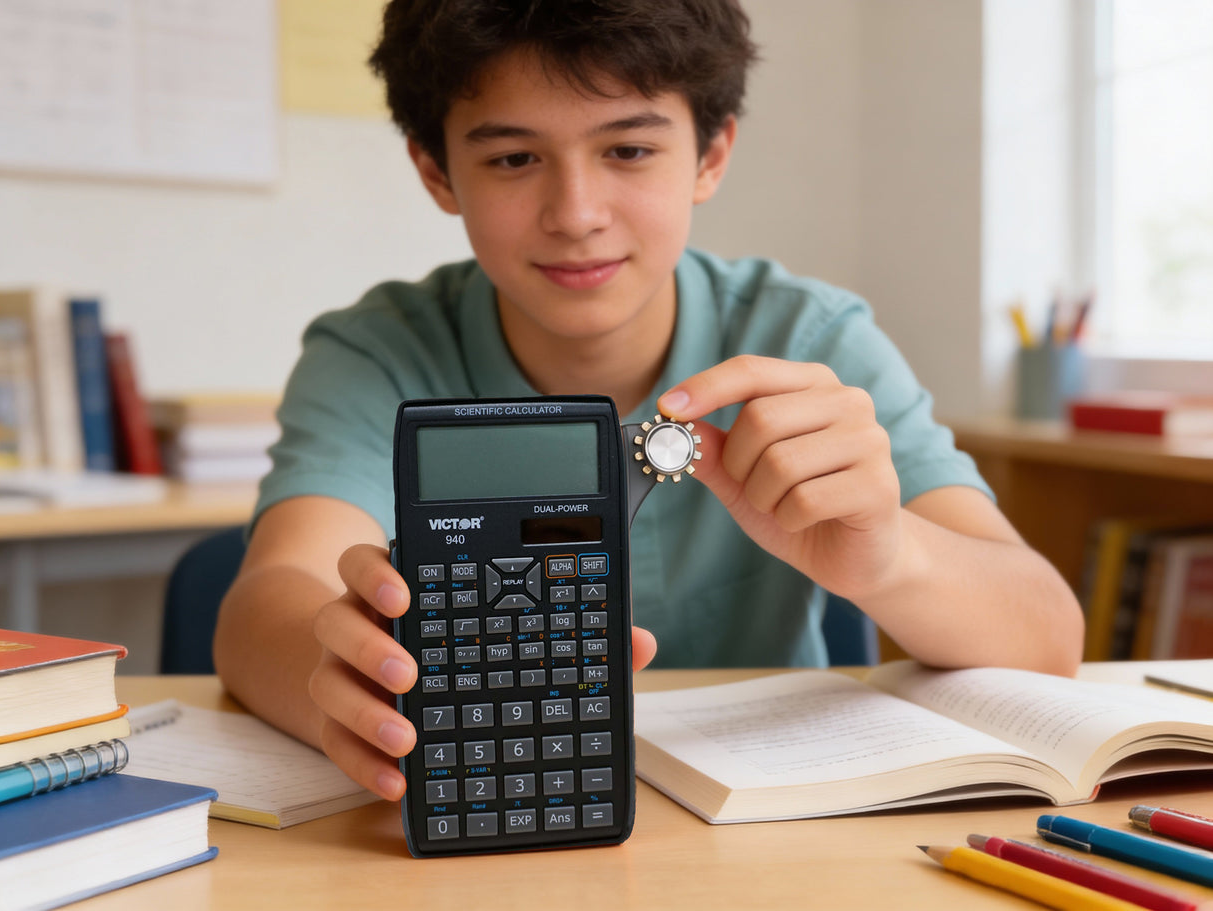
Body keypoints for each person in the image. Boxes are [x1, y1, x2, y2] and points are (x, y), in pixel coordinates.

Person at [213, 0, 1084, 803]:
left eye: (628, 150)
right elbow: (272, 596)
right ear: (438, 173)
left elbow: (1046, 633)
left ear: (710, 155)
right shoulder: (379, 349)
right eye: (514, 158)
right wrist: (363, 682)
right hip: (494, 798)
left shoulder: (809, 339)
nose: (577, 212)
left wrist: (891, 558)